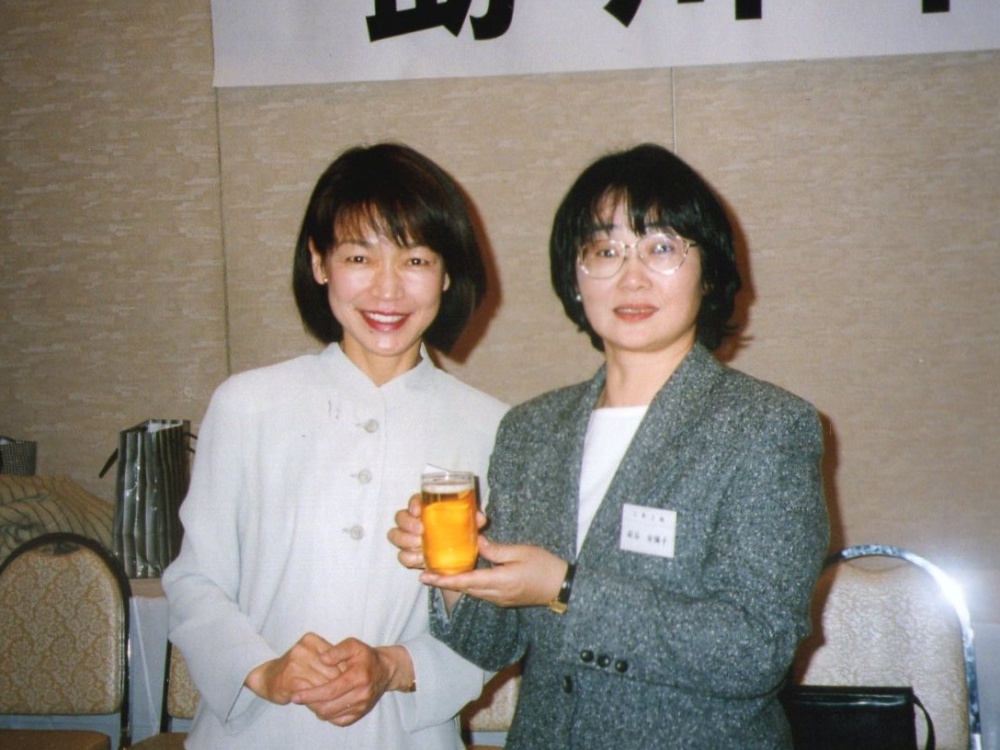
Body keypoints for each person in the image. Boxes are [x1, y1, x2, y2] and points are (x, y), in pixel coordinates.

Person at [390, 143, 829, 749]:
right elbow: (491, 642)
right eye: (605, 250)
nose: (632, 276)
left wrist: (565, 589)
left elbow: (754, 651)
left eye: (661, 248)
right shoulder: (530, 430)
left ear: (709, 273)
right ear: (575, 278)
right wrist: (453, 571)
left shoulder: (765, 427)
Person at [162, 142, 508, 749]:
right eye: (358, 257)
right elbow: (196, 581)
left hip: (404, 735)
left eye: (416, 260)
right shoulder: (247, 406)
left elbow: (497, 623)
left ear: (447, 273)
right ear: (319, 262)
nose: (387, 289)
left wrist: (395, 666)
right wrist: (263, 671)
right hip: (256, 733)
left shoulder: (494, 428)